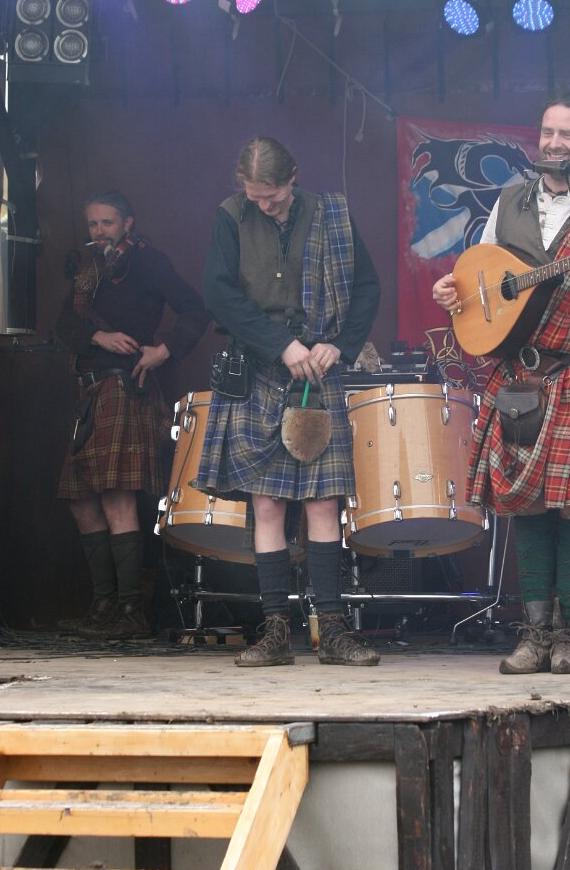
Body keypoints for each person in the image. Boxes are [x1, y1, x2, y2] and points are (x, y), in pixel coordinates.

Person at [433, 94, 570, 674]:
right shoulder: (508, 202)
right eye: (548, 132)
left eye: (567, 134)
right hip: (519, 374)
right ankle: (534, 635)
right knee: (524, 504)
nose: (554, 143)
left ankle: (568, 636)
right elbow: (475, 277)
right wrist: (451, 293)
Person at [196, 136, 381, 667]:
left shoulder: (332, 214)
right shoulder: (230, 216)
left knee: (323, 503)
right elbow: (219, 294)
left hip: (318, 373)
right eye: (254, 196)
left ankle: (334, 631)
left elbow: (366, 287)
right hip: (258, 370)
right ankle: (275, 630)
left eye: (272, 196)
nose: (263, 205)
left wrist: (339, 345)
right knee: (268, 505)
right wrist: (279, 344)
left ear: (293, 177)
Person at [57, 189, 210, 637]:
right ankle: (103, 607)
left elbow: (196, 309)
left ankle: (130, 613)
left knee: (116, 497)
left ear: (127, 223)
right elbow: (63, 325)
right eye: (92, 224)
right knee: (81, 502)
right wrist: (97, 337)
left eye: (107, 222)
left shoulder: (148, 262)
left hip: (124, 390)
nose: (99, 231)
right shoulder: (88, 271)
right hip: (90, 394)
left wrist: (165, 349)